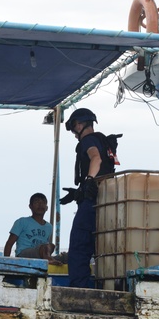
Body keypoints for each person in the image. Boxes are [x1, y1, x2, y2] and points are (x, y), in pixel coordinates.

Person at [63, 108, 116, 288]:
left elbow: (96, 159)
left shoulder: (88, 140)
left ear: (79, 124)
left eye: (72, 128)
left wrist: (88, 180)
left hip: (92, 202)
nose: (73, 133)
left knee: (79, 246)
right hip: (106, 201)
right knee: (101, 246)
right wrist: (79, 192)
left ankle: (79, 290)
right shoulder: (103, 140)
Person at [4, 193, 55, 259]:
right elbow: (9, 243)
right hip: (23, 254)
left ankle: (50, 259)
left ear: (47, 207)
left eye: (43, 202)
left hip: (42, 254)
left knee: (52, 246)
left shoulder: (49, 227)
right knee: (43, 247)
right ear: (30, 206)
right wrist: (6, 261)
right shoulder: (22, 222)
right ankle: (49, 260)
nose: (40, 205)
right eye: (37, 202)